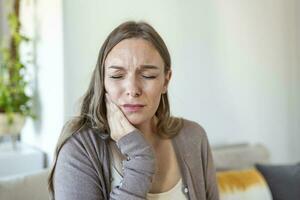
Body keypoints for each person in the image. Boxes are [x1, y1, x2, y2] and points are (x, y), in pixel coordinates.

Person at [48, 21, 219, 200]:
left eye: (148, 75)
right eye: (117, 76)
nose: (132, 89)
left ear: (166, 81)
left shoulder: (193, 136)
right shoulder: (79, 149)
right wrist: (140, 158)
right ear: (103, 80)